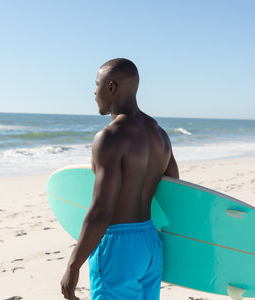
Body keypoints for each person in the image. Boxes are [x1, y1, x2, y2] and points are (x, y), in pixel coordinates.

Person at [60, 58, 179, 300]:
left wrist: (73, 266)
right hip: (150, 242)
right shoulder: (160, 134)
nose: (94, 92)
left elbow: (101, 211)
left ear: (111, 87)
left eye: (97, 84)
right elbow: (173, 189)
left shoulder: (109, 137)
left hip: (117, 246)